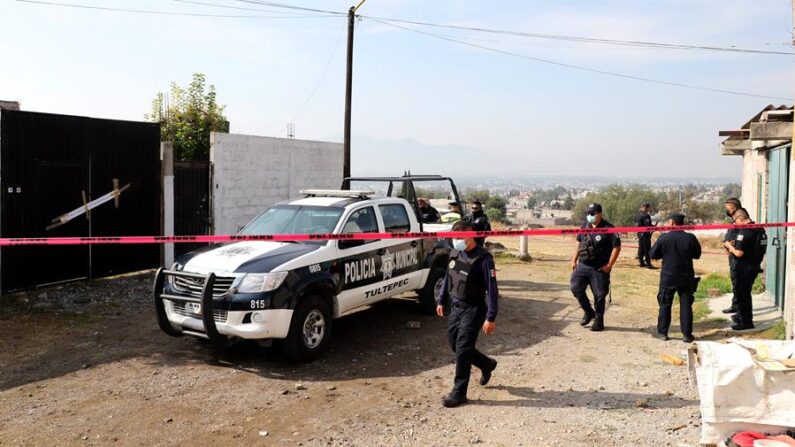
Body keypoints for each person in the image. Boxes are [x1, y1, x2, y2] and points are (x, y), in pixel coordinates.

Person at [436, 219, 499, 408]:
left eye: (460, 236)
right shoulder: (454, 253)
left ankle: (459, 392)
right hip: (456, 307)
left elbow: (492, 290)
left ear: (471, 234)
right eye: (455, 236)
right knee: (454, 345)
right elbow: (448, 277)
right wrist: (440, 300)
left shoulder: (484, 259)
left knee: (463, 348)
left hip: (474, 309)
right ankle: (486, 364)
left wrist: (490, 317)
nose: (457, 240)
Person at [649, 213, 701, 342]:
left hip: (668, 277)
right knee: (686, 305)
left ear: (672, 223)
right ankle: (687, 335)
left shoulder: (664, 238)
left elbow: (653, 254)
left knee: (665, 304)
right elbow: (697, 254)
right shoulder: (690, 238)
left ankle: (662, 333)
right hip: (686, 276)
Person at [570, 203, 621, 332]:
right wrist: (573, 260)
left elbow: (617, 247)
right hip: (583, 265)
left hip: (599, 268)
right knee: (575, 288)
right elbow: (578, 243)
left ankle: (599, 320)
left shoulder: (609, 228)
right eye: (588, 213)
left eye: (592, 214)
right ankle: (588, 311)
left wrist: (609, 265)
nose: (589, 216)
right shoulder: (584, 226)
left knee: (599, 295)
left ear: (599, 214)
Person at [724, 208, 766, 331]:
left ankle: (746, 322)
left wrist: (728, 246)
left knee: (742, 295)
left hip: (744, 268)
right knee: (745, 294)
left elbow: (738, 253)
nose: (736, 225)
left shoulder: (744, 231)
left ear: (740, 219)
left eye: (736, 221)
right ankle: (741, 316)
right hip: (754, 265)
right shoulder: (760, 229)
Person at [721, 197, 742, 314]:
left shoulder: (740, 221)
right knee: (735, 282)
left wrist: (732, 245)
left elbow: (742, 238)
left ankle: (740, 308)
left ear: (734, 208)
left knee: (738, 282)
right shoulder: (734, 221)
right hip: (732, 256)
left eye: (728, 209)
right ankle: (735, 305)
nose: (727, 211)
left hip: (738, 257)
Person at [634, 203, 654, 268]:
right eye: (648, 208)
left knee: (641, 248)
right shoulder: (646, 215)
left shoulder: (636, 215)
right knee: (647, 249)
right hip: (645, 235)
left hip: (639, 234)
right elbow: (648, 225)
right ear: (646, 208)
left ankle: (641, 262)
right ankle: (648, 264)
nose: (649, 209)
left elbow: (636, 224)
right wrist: (653, 227)